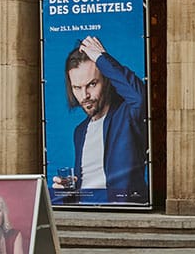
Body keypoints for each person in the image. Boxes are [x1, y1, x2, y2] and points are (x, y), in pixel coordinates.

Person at [52, 35, 149, 203]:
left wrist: (101, 58)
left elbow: (140, 97)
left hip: (123, 211)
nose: (85, 96)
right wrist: (66, 193)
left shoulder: (127, 115)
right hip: (85, 212)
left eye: (92, 84)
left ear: (106, 80)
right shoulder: (80, 131)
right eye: (77, 87)